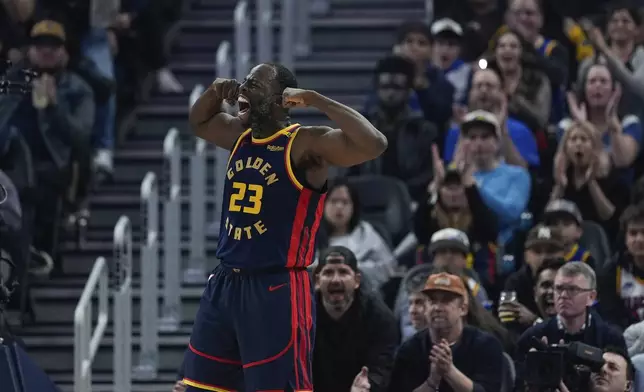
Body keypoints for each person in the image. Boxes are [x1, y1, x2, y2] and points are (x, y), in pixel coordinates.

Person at [182, 63, 387, 392]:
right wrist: (214, 91)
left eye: (255, 84)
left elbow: (374, 143)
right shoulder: (239, 136)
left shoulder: (306, 144)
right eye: (245, 81)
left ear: (283, 101)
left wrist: (318, 100)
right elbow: (199, 121)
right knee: (200, 387)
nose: (244, 89)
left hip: (276, 287)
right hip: (225, 282)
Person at [388, 272, 503, 392]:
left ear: (463, 309)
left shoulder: (486, 345)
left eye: (446, 301)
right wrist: (432, 381)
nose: (437, 308)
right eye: (432, 301)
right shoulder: (409, 350)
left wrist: (449, 371)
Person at [313, 246, 398, 392]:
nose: (335, 279)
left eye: (343, 272)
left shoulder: (379, 317)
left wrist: (369, 384)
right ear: (318, 281)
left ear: (357, 280)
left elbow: (381, 369)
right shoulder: (301, 315)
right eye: (328, 272)